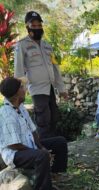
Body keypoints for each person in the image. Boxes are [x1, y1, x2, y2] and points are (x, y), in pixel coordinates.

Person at [0, 77, 68, 190]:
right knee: (42, 156)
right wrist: (38, 151)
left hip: (27, 145)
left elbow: (32, 130)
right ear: (16, 94)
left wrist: (40, 146)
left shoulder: (20, 107)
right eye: (21, 87)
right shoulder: (7, 114)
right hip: (14, 154)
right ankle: (43, 188)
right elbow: (13, 144)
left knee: (60, 141)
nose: (25, 89)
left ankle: (55, 174)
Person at [14, 11, 67, 139]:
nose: (37, 28)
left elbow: (55, 68)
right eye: (34, 25)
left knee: (54, 117)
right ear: (27, 27)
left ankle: (54, 146)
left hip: (50, 88)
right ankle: (45, 150)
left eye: (39, 25)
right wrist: (20, 92)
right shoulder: (22, 45)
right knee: (43, 120)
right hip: (37, 89)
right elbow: (19, 70)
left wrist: (62, 89)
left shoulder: (47, 46)